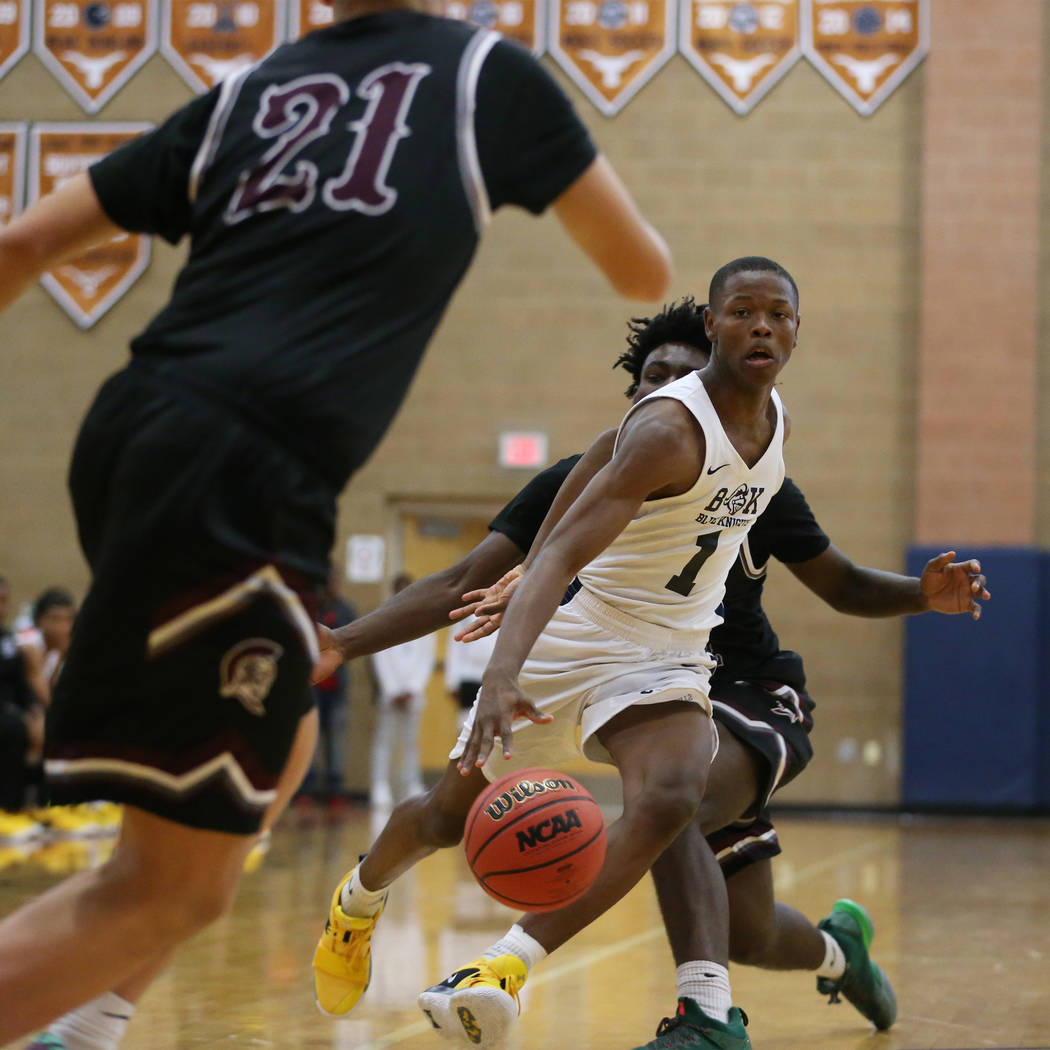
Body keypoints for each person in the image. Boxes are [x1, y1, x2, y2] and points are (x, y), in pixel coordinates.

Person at [0, 0, 674, 1038]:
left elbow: (28, 241)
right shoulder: (481, 74)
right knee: (170, 887)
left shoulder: (249, 92)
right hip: (249, 465)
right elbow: (643, 271)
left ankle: (91, 1022)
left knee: (275, 755)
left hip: (132, 429)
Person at [312, 294, 989, 1046]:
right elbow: (458, 584)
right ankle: (838, 953)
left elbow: (843, 584)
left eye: (681, 373)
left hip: (744, 688)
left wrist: (923, 599)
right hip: (603, 662)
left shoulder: (750, 457)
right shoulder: (603, 463)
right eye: (650, 376)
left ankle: (676, 1010)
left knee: (679, 811)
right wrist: (342, 642)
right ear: (636, 393)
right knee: (741, 927)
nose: (664, 388)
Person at [313, 257, 803, 1050]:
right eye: (743, 312)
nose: (762, 328)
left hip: (667, 653)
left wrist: (921, 592)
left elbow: (554, 542)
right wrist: (496, 671)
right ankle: (356, 904)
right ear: (714, 327)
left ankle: (502, 967)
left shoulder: (772, 419)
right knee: (446, 815)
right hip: (578, 640)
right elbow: (547, 556)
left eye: (777, 315)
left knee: (672, 794)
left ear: (794, 330)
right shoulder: (663, 432)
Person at [369, 573, 436, 807]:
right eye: (399, 590)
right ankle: (380, 786)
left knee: (411, 743)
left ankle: (411, 784)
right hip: (390, 695)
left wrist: (412, 688)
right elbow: (380, 657)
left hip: (412, 695)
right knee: (384, 742)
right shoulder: (383, 618)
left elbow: (426, 659)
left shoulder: (426, 619)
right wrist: (392, 689)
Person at [299, 572, 356, 808]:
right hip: (311, 688)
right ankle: (306, 790)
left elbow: (352, 644)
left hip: (336, 689)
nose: (330, 586)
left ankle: (335, 790)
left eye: (333, 581)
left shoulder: (345, 610)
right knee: (309, 739)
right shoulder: (310, 610)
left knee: (335, 740)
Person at [0, 576, 44, 841]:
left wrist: (36, 713)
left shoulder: (8, 640)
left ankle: (12, 812)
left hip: (10, 716)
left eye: (3, 601)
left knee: (21, 730)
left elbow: (22, 685)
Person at [443, 616, 497, 730]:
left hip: (496, 676)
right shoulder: (467, 610)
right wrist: (452, 681)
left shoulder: (507, 606)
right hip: (469, 676)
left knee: (494, 727)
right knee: (466, 727)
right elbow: (455, 646)